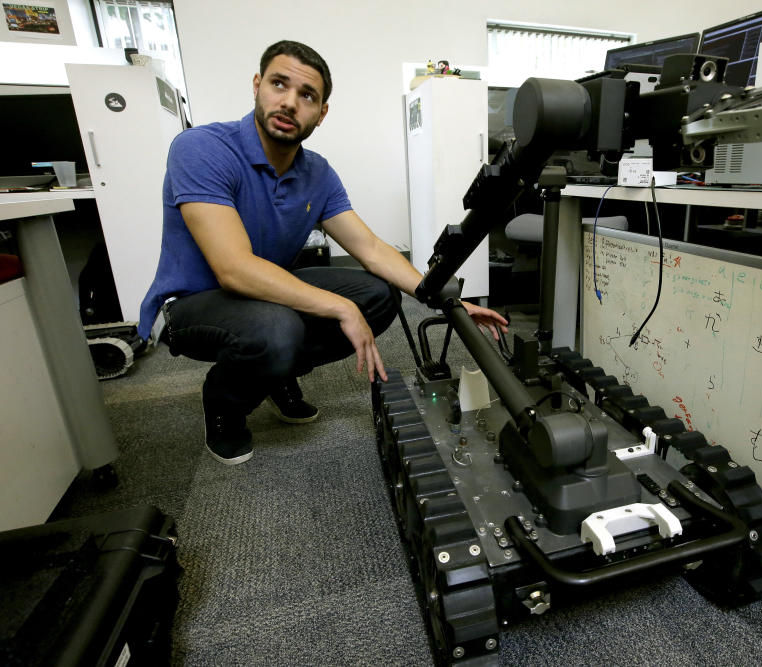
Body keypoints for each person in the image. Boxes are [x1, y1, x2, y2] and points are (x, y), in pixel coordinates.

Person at [138, 40, 507, 465]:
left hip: (267, 292)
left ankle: (276, 372)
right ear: (258, 86)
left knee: (377, 296)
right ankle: (224, 403)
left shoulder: (317, 171)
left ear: (321, 112)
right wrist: (339, 309)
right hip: (196, 303)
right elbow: (234, 270)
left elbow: (368, 248)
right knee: (279, 331)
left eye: (307, 96)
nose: (290, 103)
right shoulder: (202, 148)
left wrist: (448, 300)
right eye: (279, 84)